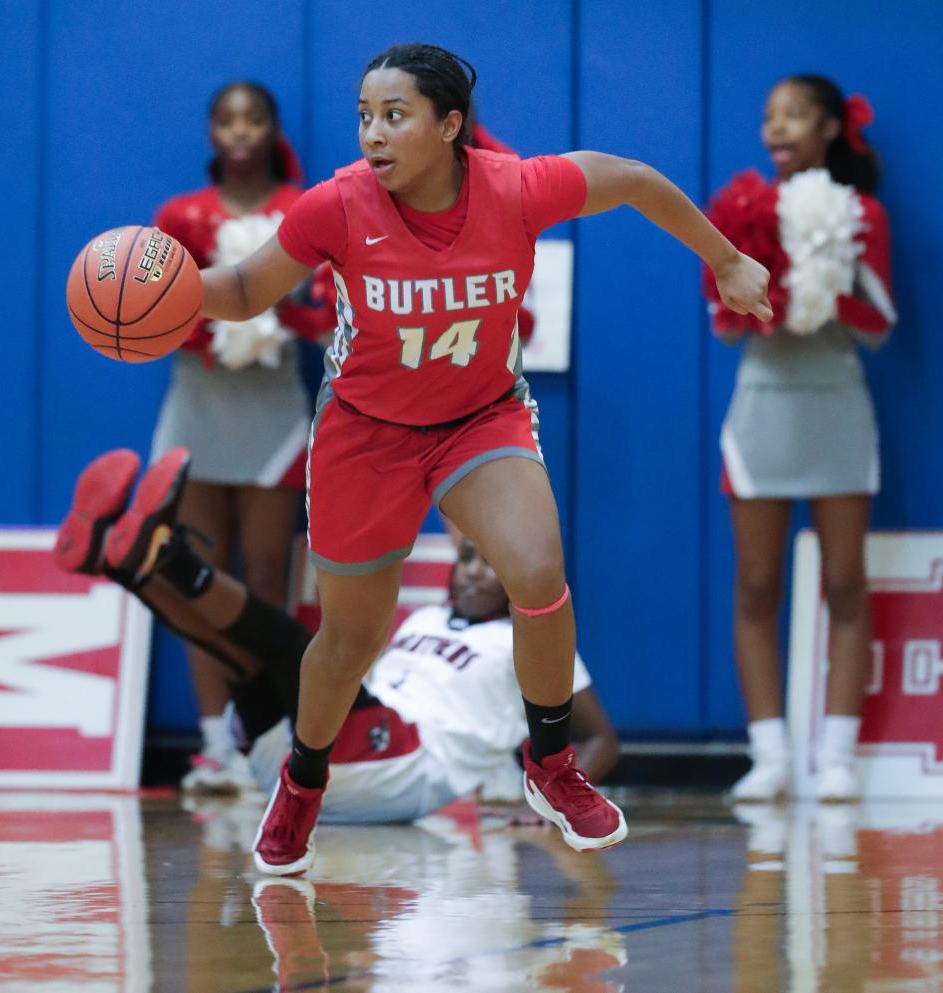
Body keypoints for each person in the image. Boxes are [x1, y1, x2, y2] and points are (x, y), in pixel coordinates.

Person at [175, 42, 770, 873]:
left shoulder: (517, 186)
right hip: (365, 434)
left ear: (450, 125)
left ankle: (553, 766)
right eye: (364, 117)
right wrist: (170, 290)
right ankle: (303, 780)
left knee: (536, 568)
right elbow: (242, 290)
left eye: (395, 116)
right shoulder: (336, 204)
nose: (373, 134)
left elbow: (633, 177)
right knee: (349, 641)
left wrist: (727, 257)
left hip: (478, 419)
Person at [54, 447, 621, 823]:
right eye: (467, 557)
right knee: (238, 660)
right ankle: (124, 565)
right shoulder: (424, 621)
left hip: (405, 767)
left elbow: (602, 740)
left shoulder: (529, 637)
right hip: (317, 762)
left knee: (294, 651)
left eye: (490, 562)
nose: (474, 569)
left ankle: (170, 556)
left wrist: (545, 804)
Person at [703, 75, 895, 802]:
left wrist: (825, 289)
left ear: (829, 129)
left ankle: (838, 755)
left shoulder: (863, 212)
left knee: (846, 581)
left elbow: (881, 327)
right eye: (768, 114)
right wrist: (768, 297)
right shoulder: (739, 207)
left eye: (793, 115)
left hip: (838, 407)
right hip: (762, 412)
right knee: (756, 585)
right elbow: (722, 324)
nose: (776, 127)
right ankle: (771, 755)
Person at [148, 82, 330, 793]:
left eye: (254, 117)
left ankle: (268, 736)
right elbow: (147, 307)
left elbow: (326, 308)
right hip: (197, 406)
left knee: (263, 577)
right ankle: (211, 745)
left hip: (274, 412)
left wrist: (278, 321)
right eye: (227, 118)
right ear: (211, 130)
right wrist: (209, 331)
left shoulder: (299, 210)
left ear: (273, 127)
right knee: (194, 572)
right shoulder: (178, 216)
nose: (241, 130)